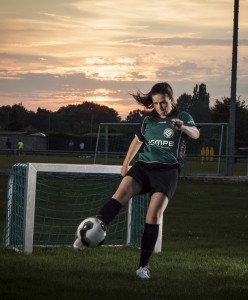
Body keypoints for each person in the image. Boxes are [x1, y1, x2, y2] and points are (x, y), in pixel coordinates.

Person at [74, 82, 200, 279]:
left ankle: (142, 267)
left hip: (167, 171)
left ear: (171, 100)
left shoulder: (182, 116)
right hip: (144, 167)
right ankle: (86, 237)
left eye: (164, 103)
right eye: (156, 103)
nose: (160, 107)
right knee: (119, 196)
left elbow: (196, 133)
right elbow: (137, 141)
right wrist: (126, 164)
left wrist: (183, 127)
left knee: (153, 215)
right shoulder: (148, 120)